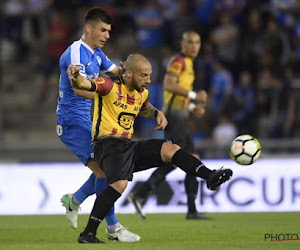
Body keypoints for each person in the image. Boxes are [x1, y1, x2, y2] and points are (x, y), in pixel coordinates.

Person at [68, 53, 233, 243]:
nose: (148, 80)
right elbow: (84, 85)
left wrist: (157, 113)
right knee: (120, 184)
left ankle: (209, 176)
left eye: (149, 75)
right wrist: (75, 76)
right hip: (107, 144)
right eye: (143, 75)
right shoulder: (109, 85)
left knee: (170, 149)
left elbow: (144, 107)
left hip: (127, 145)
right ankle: (88, 233)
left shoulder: (141, 93)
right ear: (129, 73)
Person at [56, 7, 140, 242]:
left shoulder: (98, 54)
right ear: (89, 28)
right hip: (72, 121)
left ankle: (74, 201)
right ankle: (112, 227)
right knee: (104, 170)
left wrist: (132, 74)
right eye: (102, 30)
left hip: (90, 121)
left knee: (104, 169)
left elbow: (119, 74)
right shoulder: (76, 52)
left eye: (109, 31)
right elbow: (79, 88)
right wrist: (113, 97)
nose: (107, 35)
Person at [127, 31, 211, 220]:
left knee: (190, 158)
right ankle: (141, 194)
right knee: (178, 158)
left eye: (197, 42)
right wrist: (193, 96)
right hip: (174, 117)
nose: (194, 46)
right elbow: (169, 85)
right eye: (190, 42)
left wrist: (192, 107)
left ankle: (191, 209)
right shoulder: (179, 61)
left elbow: (177, 96)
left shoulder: (189, 63)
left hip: (181, 116)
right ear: (182, 44)